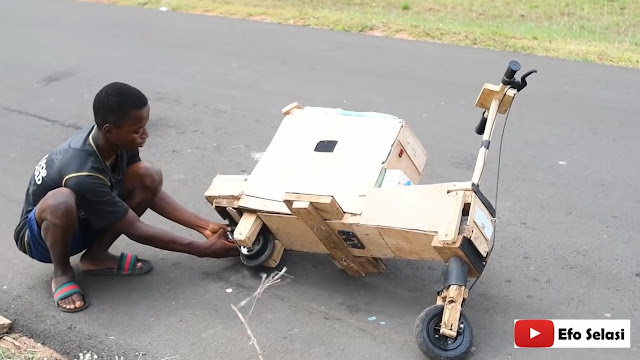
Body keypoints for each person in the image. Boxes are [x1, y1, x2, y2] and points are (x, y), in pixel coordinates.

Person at [12, 82, 240, 313]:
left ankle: (96, 256)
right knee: (60, 200)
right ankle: (62, 273)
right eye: (137, 129)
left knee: (147, 174)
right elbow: (134, 228)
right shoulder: (82, 171)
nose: (145, 134)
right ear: (110, 130)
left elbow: (147, 190)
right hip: (43, 238)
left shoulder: (117, 141)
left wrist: (205, 227)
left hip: (84, 217)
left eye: (145, 126)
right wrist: (201, 250)